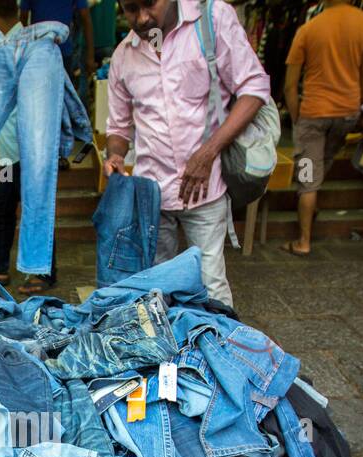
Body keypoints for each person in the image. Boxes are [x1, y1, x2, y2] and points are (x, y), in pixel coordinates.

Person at [102, 0, 269, 308]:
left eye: (149, 4)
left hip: (206, 190)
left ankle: (221, 349)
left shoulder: (213, 19)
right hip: (152, 195)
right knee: (157, 291)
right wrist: (115, 155)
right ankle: (170, 353)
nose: (141, 18)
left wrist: (208, 152)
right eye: (130, 9)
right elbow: (119, 127)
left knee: (211, 285)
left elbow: (254, 89)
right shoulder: (123, 56)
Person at [282, 0, 363, 256]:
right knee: (321, 165)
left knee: (307, 176)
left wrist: (296, 118)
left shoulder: (309, 29)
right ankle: (309, 212)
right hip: (346, 112)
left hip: (313, 113)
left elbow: (290, 85)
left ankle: (303, 239)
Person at [0, 0, 57, 294]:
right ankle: (0, 266)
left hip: (31, 153)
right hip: (8, 156)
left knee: (36, 207)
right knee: (5, 206)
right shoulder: (2, 48)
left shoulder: (30, 47)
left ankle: (44, 271)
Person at [22, 0, 94, 79]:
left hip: (40, 53)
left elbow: (23, 19)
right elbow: (85, 18)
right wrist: (90, 56)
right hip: (58, 53)